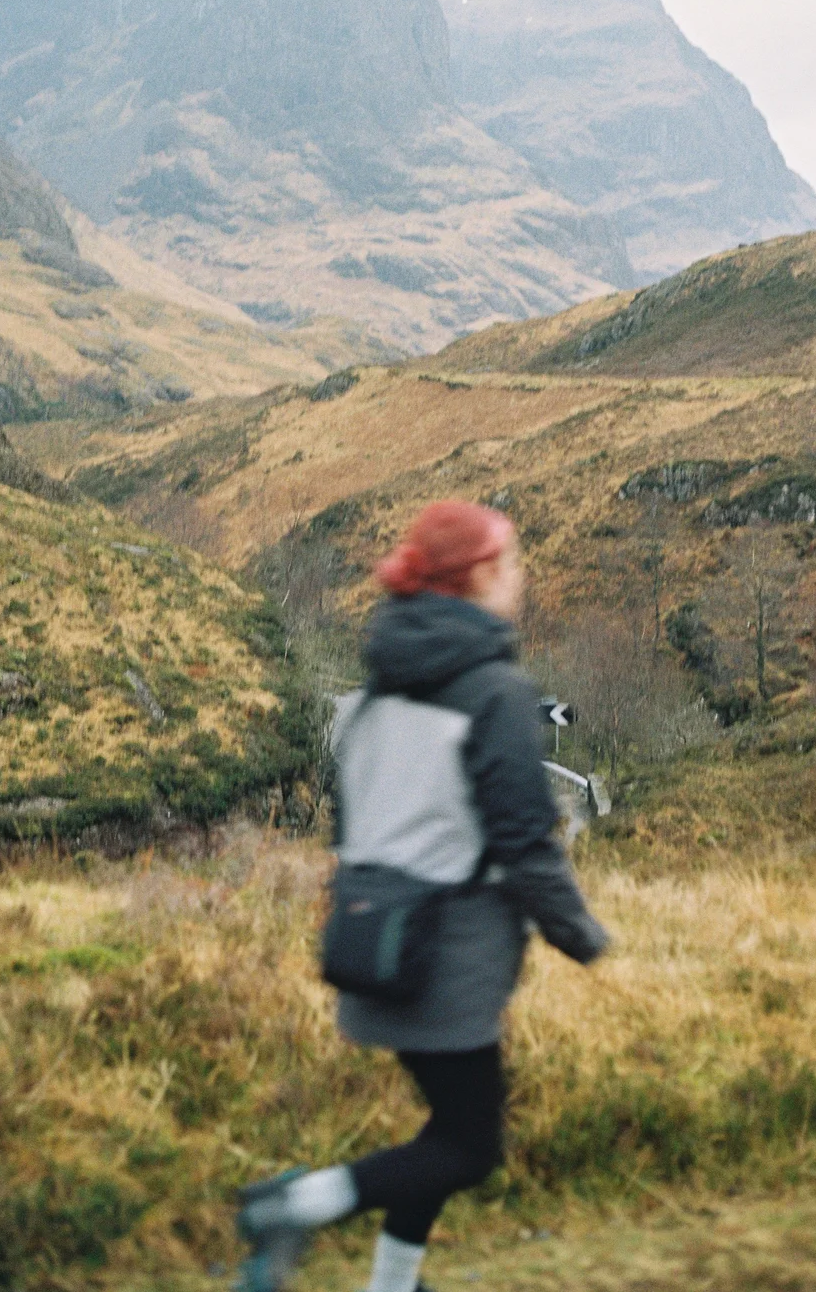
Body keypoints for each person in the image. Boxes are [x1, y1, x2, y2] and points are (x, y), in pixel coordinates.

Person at [236, 500, 609, 1292]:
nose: (521, 575)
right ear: (474, 577)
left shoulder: (382, 683)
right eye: (510, 561)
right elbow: (523, 838)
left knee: (446, 1129)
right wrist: (581, 932)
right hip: (450, 953)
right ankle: (297, 1204)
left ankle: (394, 1284)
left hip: (371, 934)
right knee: (470, 1145)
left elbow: (356, 808)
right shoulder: (493, 689)